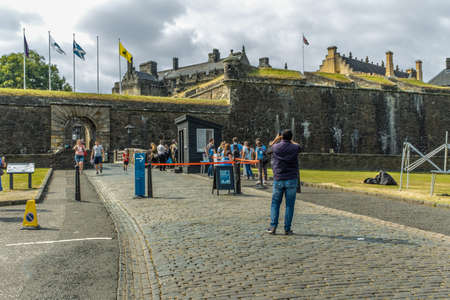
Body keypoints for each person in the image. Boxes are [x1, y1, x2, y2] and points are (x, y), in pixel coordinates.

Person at [266, 129, 301, 236]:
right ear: (291, 138)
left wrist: (276, 139)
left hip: (279, 178)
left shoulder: (275, 147)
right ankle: (287, 228)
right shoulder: (294, 147)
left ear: (281, 137)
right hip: (291, 178)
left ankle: (273, 226)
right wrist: (291, 141)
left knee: (275, 203)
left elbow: (268, 150)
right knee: (290, 205)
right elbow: (299, 147)